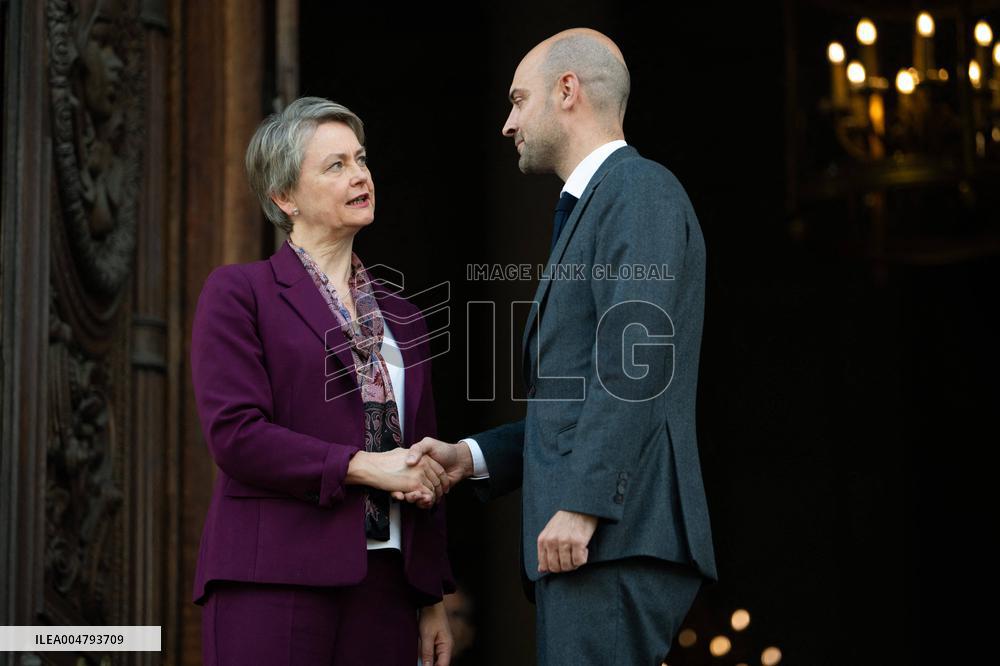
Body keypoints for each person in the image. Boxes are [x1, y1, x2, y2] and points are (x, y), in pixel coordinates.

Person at [406, 28, 718, 665]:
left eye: (519, 101)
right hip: (600, 538)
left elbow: (637, 363)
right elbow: (580, 400)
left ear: (567, 91)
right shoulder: (603, 203)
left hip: (613, 535)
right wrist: (475, 456)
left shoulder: (638, 191)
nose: (507, 122)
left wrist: (583, 503)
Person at [190, 97, 454, 666]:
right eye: (335, 166)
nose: (360, 175)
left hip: (385, 587)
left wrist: (431, 596)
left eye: (360, 160)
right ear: (285, 197)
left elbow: (426, 463)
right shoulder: (241, 293)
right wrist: (363, 465)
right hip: (272, 580)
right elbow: (236, 435)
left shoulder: (405, 317)